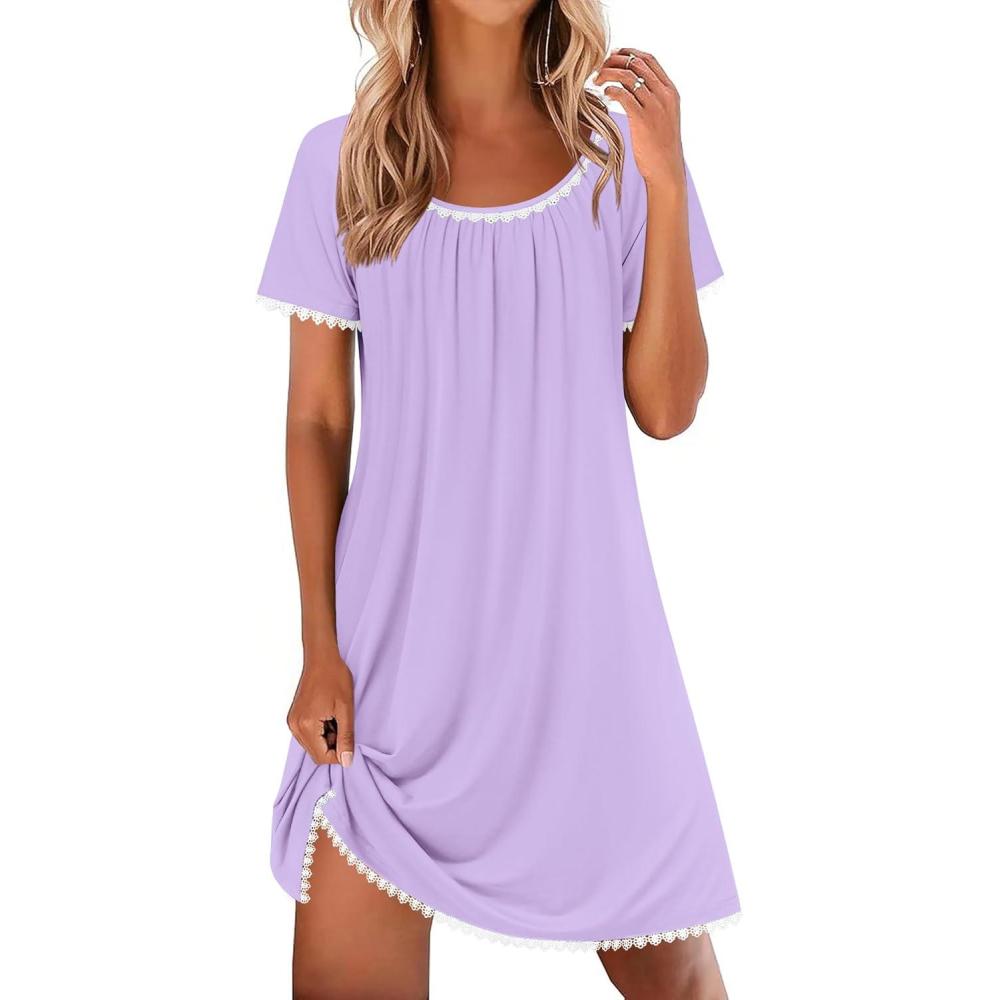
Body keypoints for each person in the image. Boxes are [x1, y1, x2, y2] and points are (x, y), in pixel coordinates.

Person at [257, 1, 739, 996]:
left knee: (681, 982)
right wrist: (319, 648)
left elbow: (667, 407)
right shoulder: (341, 162)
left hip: (588, 669)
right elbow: (317, 421)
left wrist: (666, 176)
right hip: (395, 680)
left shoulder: (619, 161)